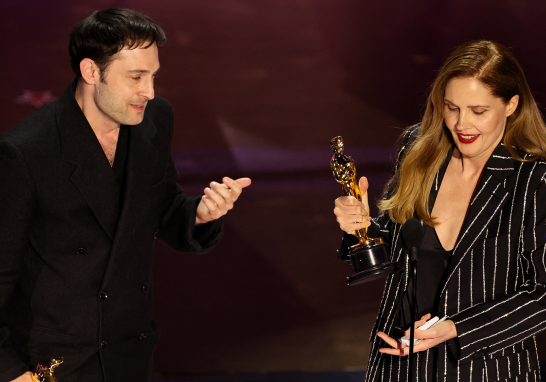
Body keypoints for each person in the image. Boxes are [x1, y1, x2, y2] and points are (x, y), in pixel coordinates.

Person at [0, 8, 251, 382]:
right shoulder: (25, 152)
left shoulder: (154, 118)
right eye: (136, 77)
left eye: (152, 76)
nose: (148, 92)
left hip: (129, 352)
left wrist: (199, 213)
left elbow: (159, 207)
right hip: (54, 364)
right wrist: (10, 372)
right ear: (90, 72)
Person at [333, 40, 546, 381]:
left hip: (487, 369)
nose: (462, 124)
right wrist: (360, 227)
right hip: (399, 362)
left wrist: (455, 328)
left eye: (479, 111)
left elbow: (542, 295)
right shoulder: (418, 151)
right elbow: (396, 246)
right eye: (451, 107)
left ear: (511, 105)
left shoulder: (535, 180)